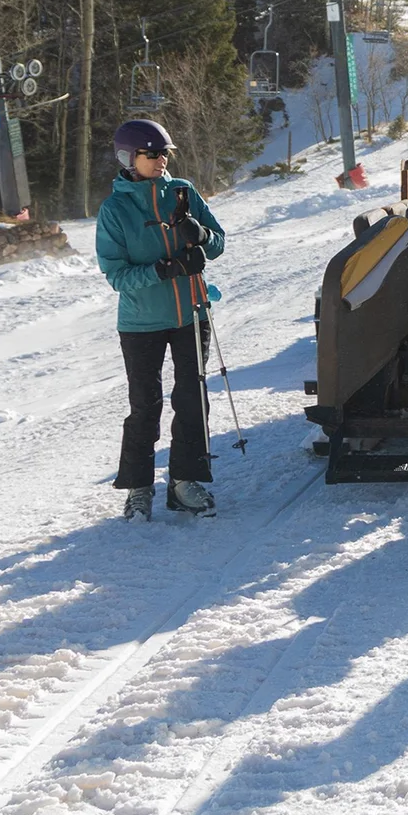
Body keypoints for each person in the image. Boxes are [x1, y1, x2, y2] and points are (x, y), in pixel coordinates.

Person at [95, 118, 227, 519]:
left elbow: (218, 242)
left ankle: (184, 483)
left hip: (190, 312)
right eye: (151, 154)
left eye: (164, 153)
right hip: (141, 323)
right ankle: (138, 488)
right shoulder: (115, 209)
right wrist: (162, 270)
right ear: (128, 157)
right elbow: (116, 275)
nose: (161, 160)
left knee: (192, 399)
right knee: (144, 405)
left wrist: (200, 236)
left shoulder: (183, 191)